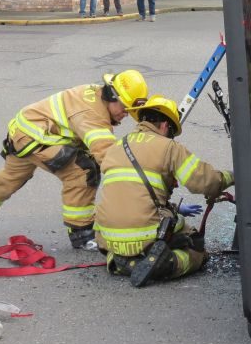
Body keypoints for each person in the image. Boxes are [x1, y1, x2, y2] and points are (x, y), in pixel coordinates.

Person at [0, 70, 149, 249]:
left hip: (24, 130)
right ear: (112, 96)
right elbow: (107, 154)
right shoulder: (92, 115)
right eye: (125, 108)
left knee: (11, 177)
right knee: (82, 171)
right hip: (36, 137)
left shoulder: (96, 93)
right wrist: (136, 180)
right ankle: (81, 234)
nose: (125, 114)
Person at [95, 95, 233, 280]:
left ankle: (119, 260)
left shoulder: (115, 147)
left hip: (107, 234)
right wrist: (232, 176)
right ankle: (166, 264)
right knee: (195, 248)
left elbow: (131, 194)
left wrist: (174, 207)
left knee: (128, 239)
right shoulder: (169, 147)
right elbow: (205, 181)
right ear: (165, 126)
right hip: (144, 233)